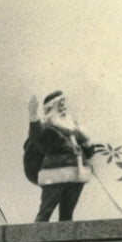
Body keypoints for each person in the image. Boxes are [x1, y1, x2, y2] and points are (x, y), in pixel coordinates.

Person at [28, 91, 96, 222]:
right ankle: (36, 235)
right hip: (55, 175)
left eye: (64, 106)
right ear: (50, 110)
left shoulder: (76, 132)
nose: (63, 109)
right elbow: (37, 136)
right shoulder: (49, 129)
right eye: (59, 107)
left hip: (77, 175)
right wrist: (33, 117)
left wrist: (87, 140)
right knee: (46, 210)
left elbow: (90, 153)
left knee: (67, 213)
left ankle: (66, 236)